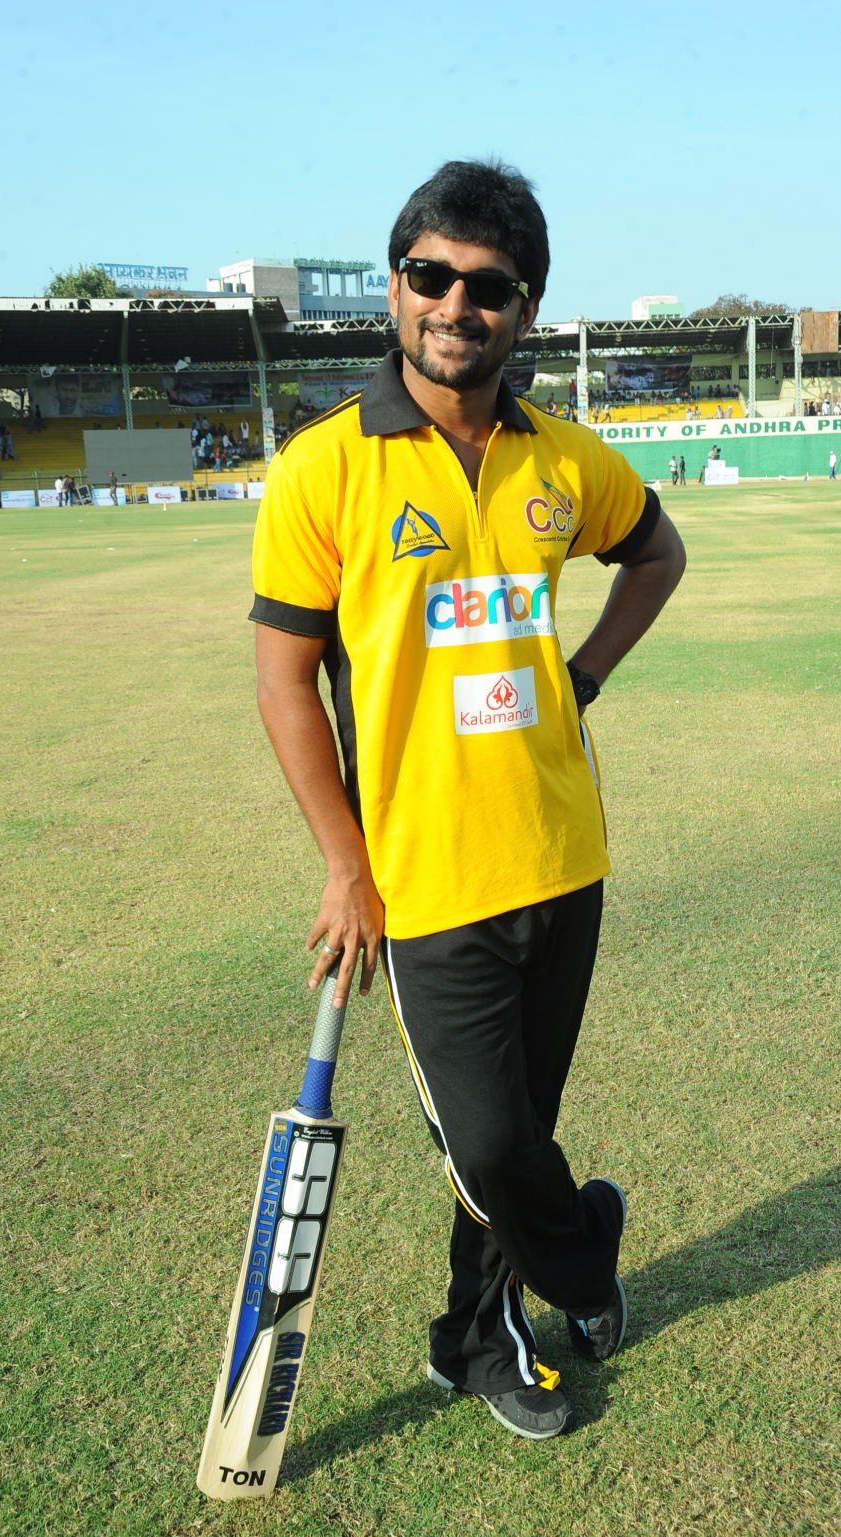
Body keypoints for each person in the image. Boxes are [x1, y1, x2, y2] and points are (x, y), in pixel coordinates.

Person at [249, 159, 685, 1442]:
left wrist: (582, 675)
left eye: (488, 287)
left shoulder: (564, 458)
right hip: (425, 879)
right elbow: (282, 682)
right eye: (430, 276)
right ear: (395, 289)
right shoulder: (326, 467)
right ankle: (587, 1253)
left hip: (562, 853)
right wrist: (347, 868)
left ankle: (474, 1337)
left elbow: (657, 553)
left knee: (516, 1136)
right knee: (491, 1146)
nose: (456, 305)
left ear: (524, 309)